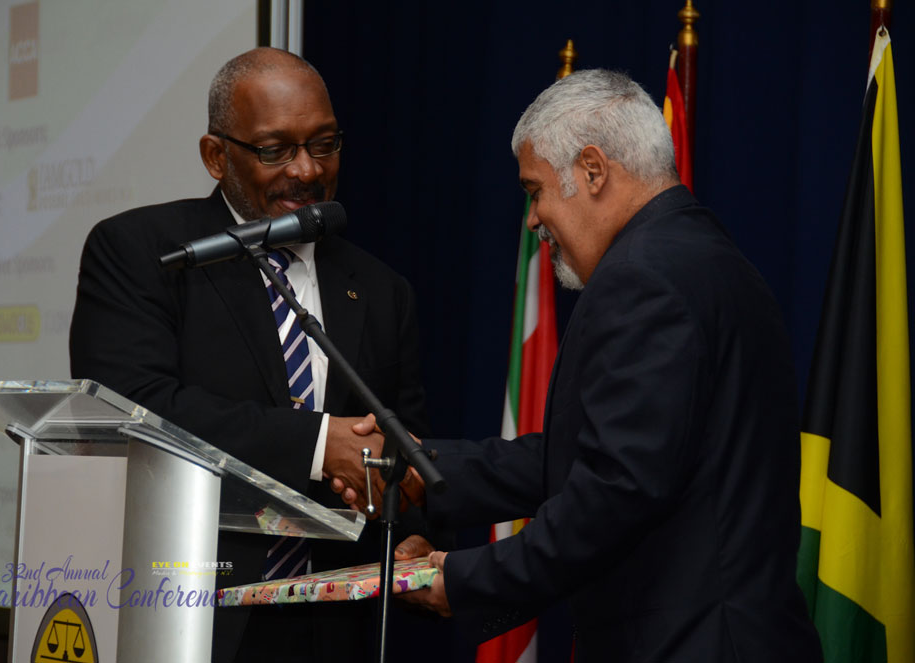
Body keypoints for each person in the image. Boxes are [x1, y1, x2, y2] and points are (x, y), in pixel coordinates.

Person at [343, 69, 823, 661]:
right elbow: (591, 456)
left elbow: (616, 489)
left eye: (535, 190)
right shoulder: (705, 257)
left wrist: (467, 578)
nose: (533, 219)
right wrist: (419, 469)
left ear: (593, 170)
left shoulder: (643, 278)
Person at [69, 47, 434, 662]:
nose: (307, 169)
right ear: (217, 156)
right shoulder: (144, 252)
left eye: (324, 144)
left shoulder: (380, 288)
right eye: (275, 150)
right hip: (186, 613)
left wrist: (413, 530)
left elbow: (403, 439)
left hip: (334, 625)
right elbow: (133, 407)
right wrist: (318, 445)